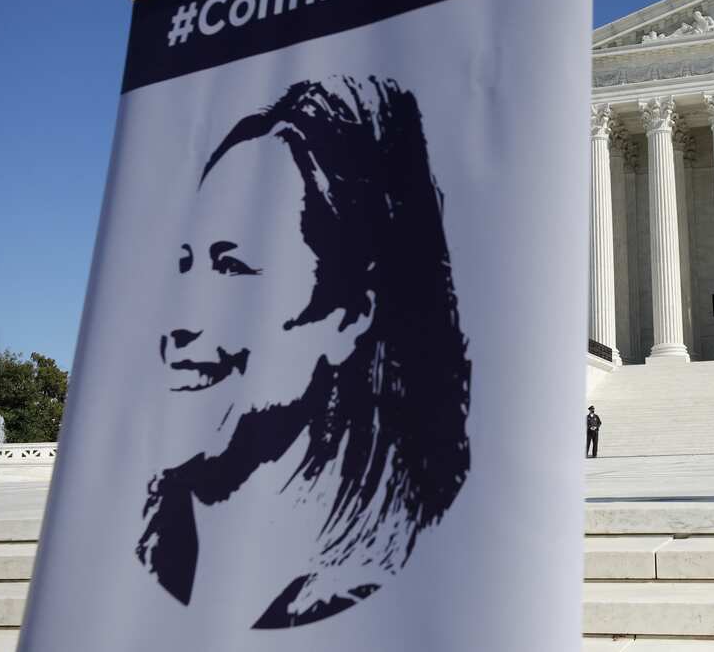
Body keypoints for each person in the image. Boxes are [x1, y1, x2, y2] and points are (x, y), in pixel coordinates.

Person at [142, 75, 472, 627]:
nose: (178, 323)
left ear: (348, 316)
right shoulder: (148, 539)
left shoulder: (392, 567)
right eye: (184, 263)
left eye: (231, 266)